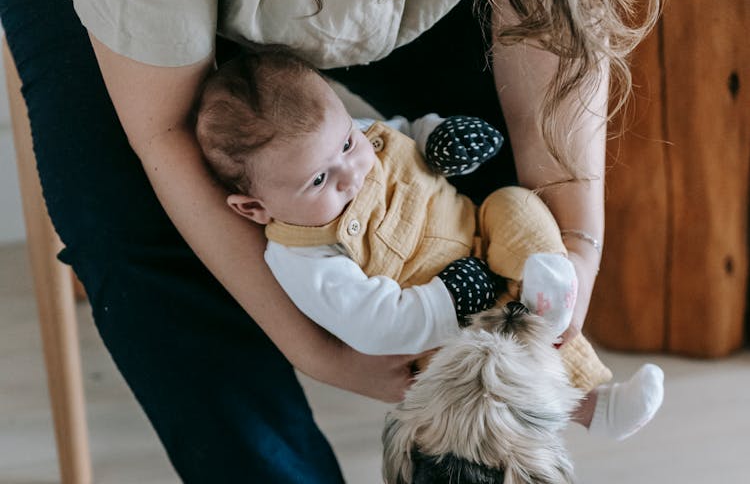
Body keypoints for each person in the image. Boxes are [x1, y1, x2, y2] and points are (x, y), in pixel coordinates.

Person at [0, 0, 678, 484]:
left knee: (488, 158)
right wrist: (314, 346)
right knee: (122, 213)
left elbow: (550, 15)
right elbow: (162, 131)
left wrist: (573, 248)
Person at [195, 46, 665, 442]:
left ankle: (547, 286)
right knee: (492, 369)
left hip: (480, 232)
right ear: (254, 208)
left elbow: (402, 132)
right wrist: (447, 298)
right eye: (319, 180)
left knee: (516, 205)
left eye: (345, 145)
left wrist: (436, 137)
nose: (351, 174)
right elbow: (372, 325)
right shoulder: (302, 255)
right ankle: (593, 409)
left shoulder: (357, 137)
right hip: (442, 320)